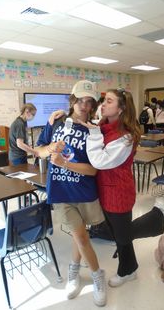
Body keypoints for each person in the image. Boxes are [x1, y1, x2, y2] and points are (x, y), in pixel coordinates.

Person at [78, 89, 164, 288]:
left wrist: (92, 133)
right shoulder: (102, 125)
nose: (103, 105)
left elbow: (100, 161)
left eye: (109, 101)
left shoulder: (125, 136)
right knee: (117, 233)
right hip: (104, 189)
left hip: (118, 191)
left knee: (121, 235)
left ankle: (158, 212)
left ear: (121, 108)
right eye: (103, 101)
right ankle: (131, 268)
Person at [35, 80, 106, 307]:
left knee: (80, 235)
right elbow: (40, 150)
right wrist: (50, 150)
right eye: (80, 100)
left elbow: (93, 170)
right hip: (61, 191)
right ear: (73, 99)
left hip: (84, 191)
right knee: (82, 237)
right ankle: (97, 276)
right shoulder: (56, 122)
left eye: (89, 102)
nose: (84, 106)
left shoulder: (94, 131)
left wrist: (65, 164)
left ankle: (74, 272)